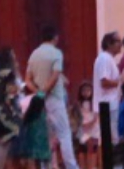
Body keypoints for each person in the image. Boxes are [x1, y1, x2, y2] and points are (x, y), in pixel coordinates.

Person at [27, 27, 81, 169]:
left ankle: (48, 166)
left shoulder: (34, 54)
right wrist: (44, 91)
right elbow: (55, 75)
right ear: (55, 37)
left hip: (40, 100)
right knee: (64, 133)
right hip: (55, 97)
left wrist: (38, 92)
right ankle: (71, 166)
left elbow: (28, 79)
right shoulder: (56, 53)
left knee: (46, 134)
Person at [0, 47, 24, 169]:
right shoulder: (8, 73)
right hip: (6, 112)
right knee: (5, 144)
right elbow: (12, 93)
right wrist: (17, 111)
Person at [93, 32, 123, 150]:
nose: (121, 45)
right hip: (107, 106)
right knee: (108, 139)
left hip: (111, 105)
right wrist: (121, 83)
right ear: (109, 43)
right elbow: (104, 82)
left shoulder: (109, 59)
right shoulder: (104, 59)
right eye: (118, 42)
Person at [19, 84, 53, 168]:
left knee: (33, 159)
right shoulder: (44, 116)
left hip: (31, 145)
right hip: (43, 144)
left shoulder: (29, 117)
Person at [69, 83, 99, 169]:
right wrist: (82, 125)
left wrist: (92, 123)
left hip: (94, 129)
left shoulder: (95, 103)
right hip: (82, 129)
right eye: (84, 90)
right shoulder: (78, 104)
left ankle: (91, 166)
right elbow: (76, 117)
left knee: (93, 149)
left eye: (88, 90)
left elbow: (97, 116)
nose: (86, 92)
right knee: (82, 149)